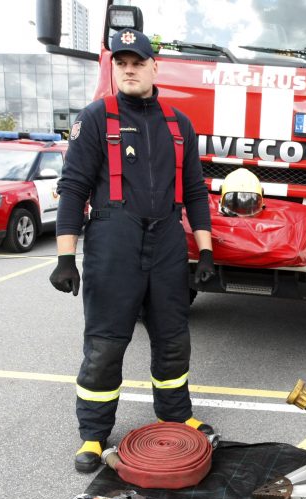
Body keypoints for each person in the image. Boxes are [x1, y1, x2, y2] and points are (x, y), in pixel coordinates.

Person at [49, 28, 217, 472]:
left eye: (137, 62)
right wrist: (66, 256)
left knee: (172, 338)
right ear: (113, 68)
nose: (128, 69)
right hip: (113, 242)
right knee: (105, 344)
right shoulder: (94, 118)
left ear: (154, 67)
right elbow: (72, 190)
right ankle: (93, 435)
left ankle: (176, 415)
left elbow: (196, 192)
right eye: (120, 63)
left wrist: (205, 252)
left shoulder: (178, 125)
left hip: (166, 243)